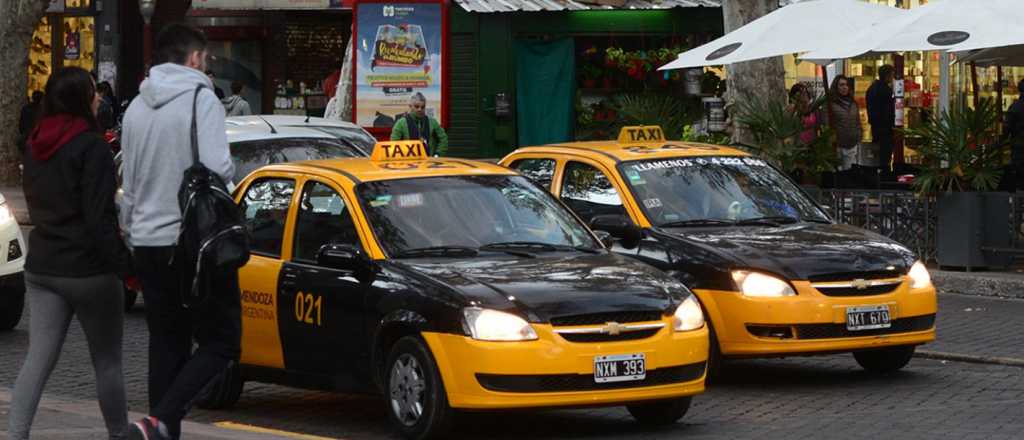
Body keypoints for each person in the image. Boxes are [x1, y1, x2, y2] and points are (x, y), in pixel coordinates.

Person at [121, 23, 238, 440]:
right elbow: (216, 166)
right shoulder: (200, 99)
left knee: (165, 342)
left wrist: (131, 233)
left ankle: (157, 429)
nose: (207, 68)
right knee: (223, 340)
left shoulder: (136, 106)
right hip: (190, 243)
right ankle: (162, 419)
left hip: (147, 241)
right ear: (193, 59)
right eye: (205, 60)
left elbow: (129, 183)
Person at [9, 66, 134, 440]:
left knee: (37, 360)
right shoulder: (92, 146)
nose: (98, 97)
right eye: (93, 91)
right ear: (82, 99)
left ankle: (15, 435)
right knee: (108, 362)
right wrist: (125, 266)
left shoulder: (34, 141)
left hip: (43, 264)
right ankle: (118, 433)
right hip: (89, 270)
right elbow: (99, 219)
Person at [830, 75, 864, 170]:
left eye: (846, 85)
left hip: (852, 144)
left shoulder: (853, 103)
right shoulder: (830, 104)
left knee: (849, 174)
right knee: (837, 175)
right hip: (837, 145)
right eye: (841, 85)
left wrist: (859, 134)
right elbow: (825, 123)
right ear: (836, 87)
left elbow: (857, 121)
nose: (845, 87)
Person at [866, 65, 896, 175]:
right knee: (884, 157)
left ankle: (877, 177)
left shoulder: (872, 88)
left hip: (876, 128)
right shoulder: (885, 90)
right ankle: (885, 177)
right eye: (892, 75)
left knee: (877, 156)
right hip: (885, 129)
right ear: (888, 76)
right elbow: (888, 112)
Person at [1006, 78, 1024, 190]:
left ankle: (1020, 204)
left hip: (1019, 149)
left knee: (1019, 181)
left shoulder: (1015, 107)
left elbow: (1007, 128)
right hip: (1018, 147)